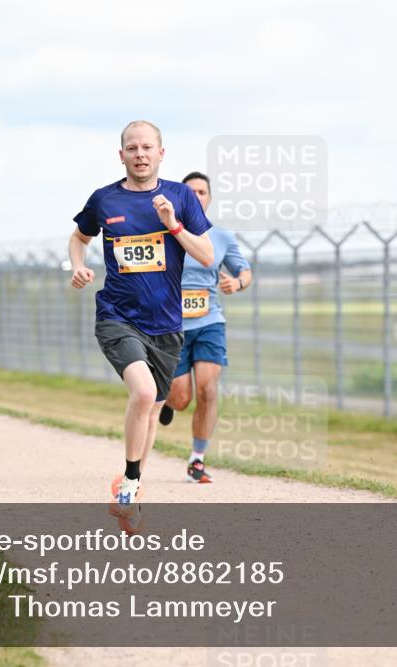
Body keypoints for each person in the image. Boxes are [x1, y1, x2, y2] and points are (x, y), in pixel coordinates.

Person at [69, 120, 214, 510]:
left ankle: (131, 489)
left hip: (166, 323)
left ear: (161, 153)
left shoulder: (181, 197)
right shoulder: (104, 200)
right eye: (132, 148)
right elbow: (79, 237)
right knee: (145, 392)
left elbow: (206, 255)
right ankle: (131, 481)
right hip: (117, 315)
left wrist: (173, 225)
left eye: (147, 147)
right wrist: (77, 265)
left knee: (152, 410)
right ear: (122, 155)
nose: (140, 154)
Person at [158, 172, 252, 484]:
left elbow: (245, 271)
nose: (197, 196)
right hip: (172, 327)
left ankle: (197, 460)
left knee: (208, 388)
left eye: (202, 192)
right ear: (180, 198)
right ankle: (169, 402)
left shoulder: (222, 236)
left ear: (209, 198)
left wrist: (236, 282)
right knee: (182, 398)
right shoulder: (163, 234)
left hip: (210, 321)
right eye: (190, 192)